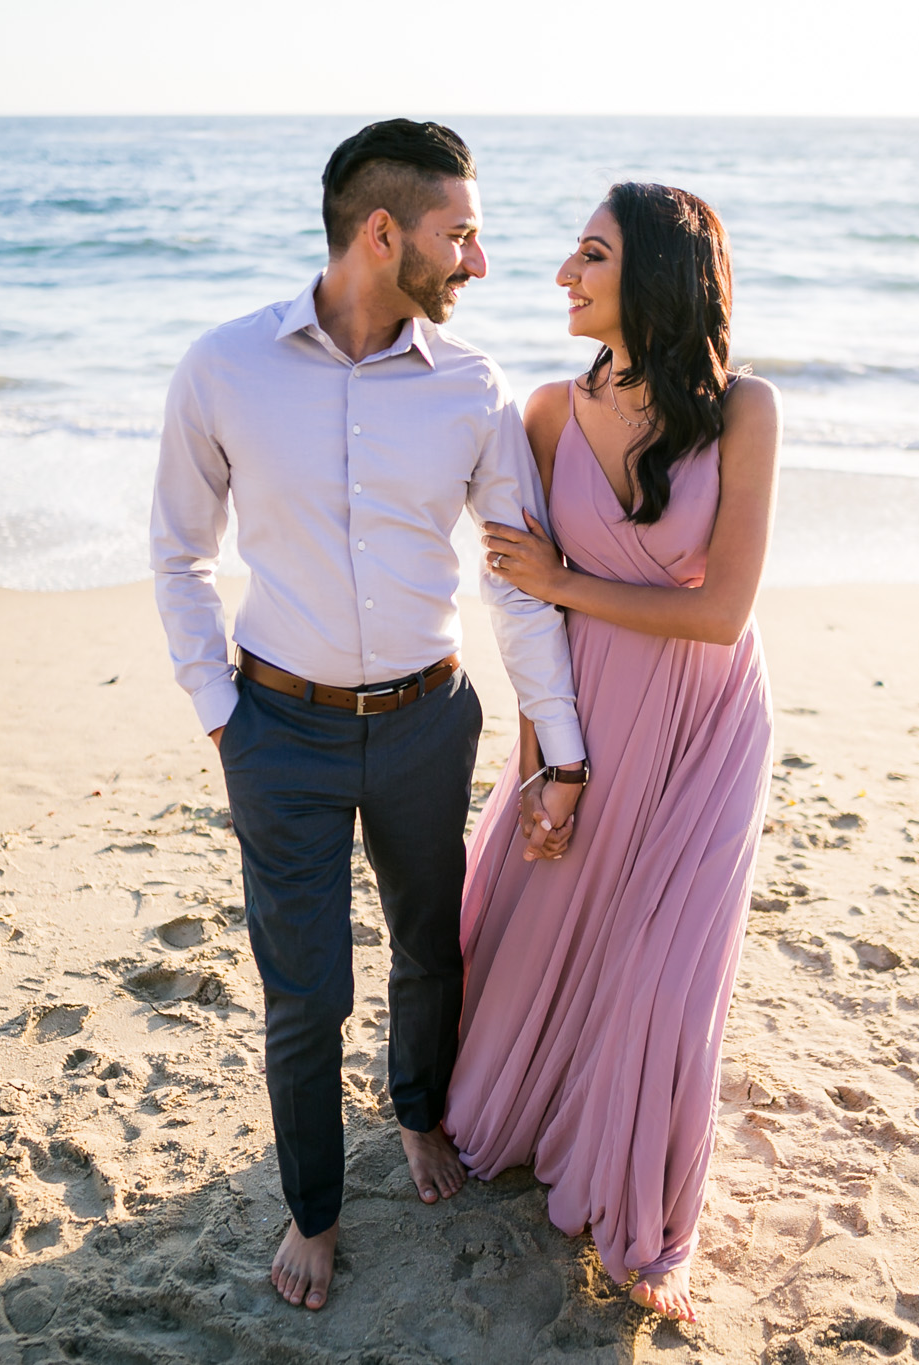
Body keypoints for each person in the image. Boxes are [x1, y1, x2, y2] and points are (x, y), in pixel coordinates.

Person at [149, 119, 587, 1313]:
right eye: (462, 235)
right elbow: (179, 554)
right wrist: (215, 709)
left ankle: (417, 1114)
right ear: (381, 232)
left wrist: (565, 747)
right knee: (305, 990)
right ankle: (312, 1209)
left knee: (428, 944)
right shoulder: (223, 366)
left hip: (423, 720)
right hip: (273, 726)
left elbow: (515, 577)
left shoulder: (472, 386)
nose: (479, 264)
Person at [444, 182, 781, 1324]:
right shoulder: (543, 415)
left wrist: (565, 580)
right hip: (587, 716)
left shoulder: (744, 413)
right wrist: (544, 763)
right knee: (548, 932)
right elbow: (526, 619)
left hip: (703, 723)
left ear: (655, 277)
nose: (561, 274)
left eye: (589, 254)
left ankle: (645, 1212)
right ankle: (548, 1125)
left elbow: (721, 613)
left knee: (666, 974)